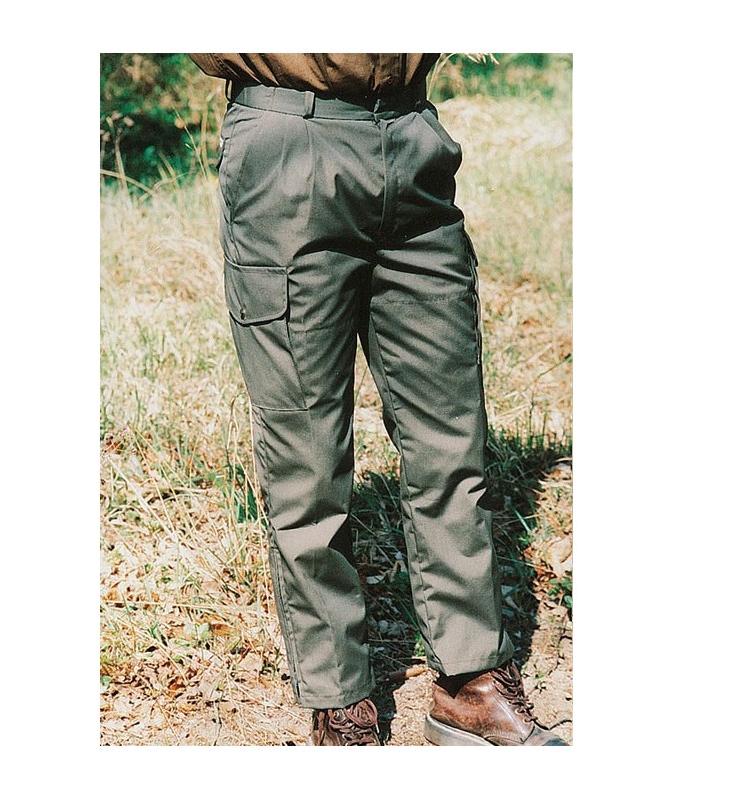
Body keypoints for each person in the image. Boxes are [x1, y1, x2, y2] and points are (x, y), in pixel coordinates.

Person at [189, 53, 567, 746]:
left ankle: (471, 684)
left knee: (451, 442)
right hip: (288, 139)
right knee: (307, 458)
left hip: (411, 134)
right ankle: (341, 701)